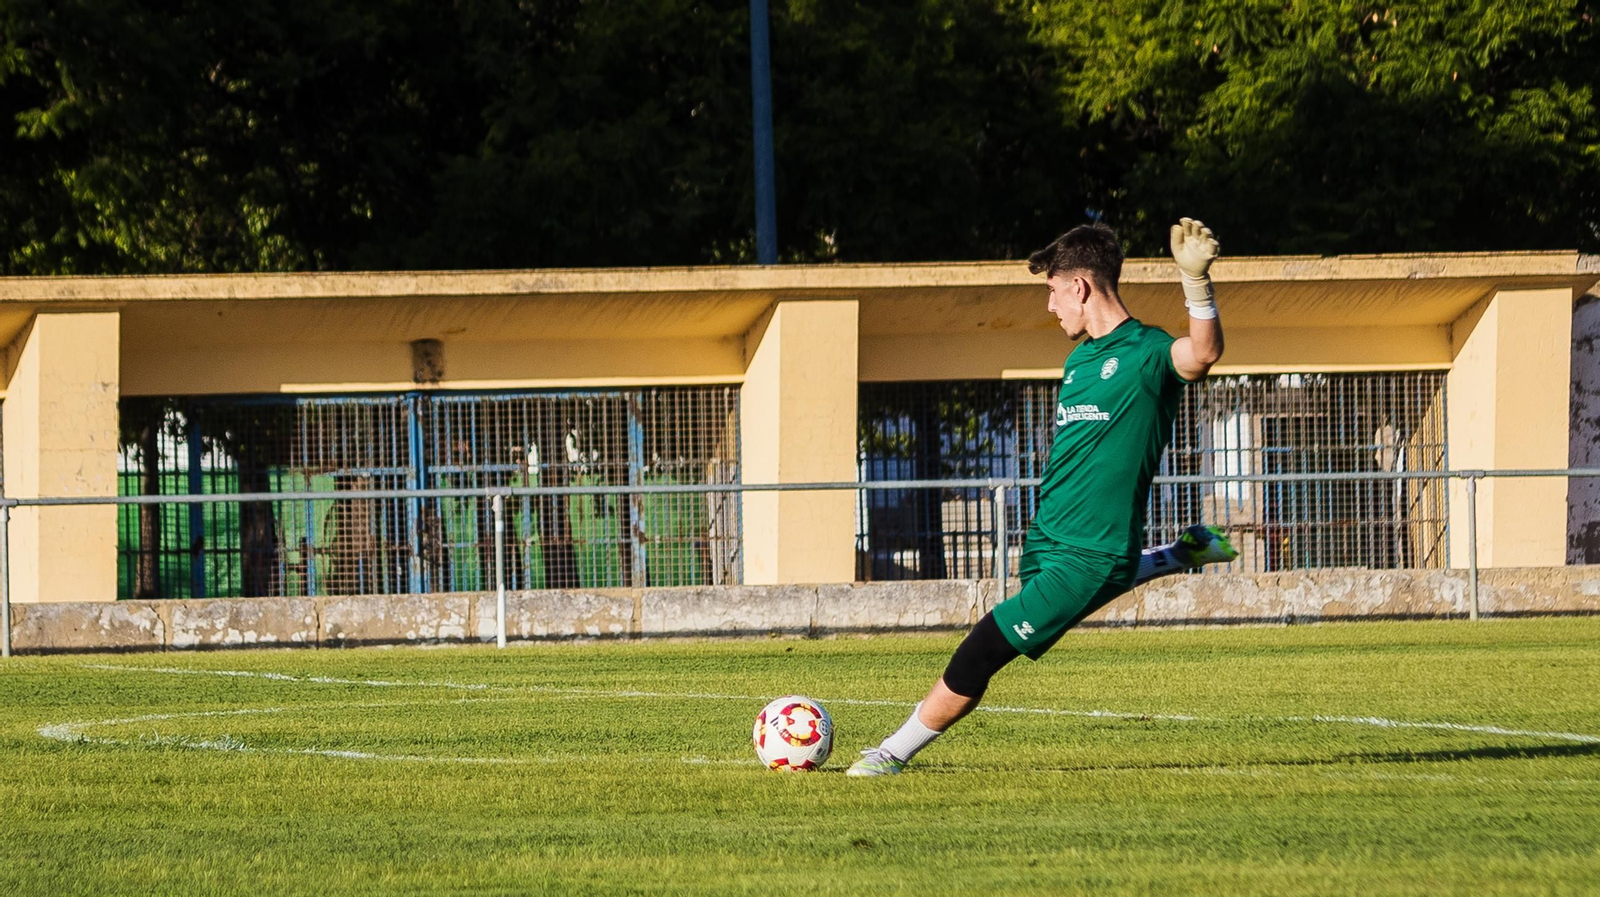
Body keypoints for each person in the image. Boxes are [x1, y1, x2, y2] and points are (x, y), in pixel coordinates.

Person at [847, 218, 1227, 776]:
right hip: (1049, 540)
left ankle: (890, 754)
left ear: (1080, 287)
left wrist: (1196, 283)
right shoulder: (1079, 362)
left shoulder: (1146, 352)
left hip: (1090, 553)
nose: (1050, 306)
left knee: (984, 647)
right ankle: (1178, 554)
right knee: (1049, 606)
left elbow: (1202, 353)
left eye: (1052, 291)